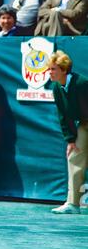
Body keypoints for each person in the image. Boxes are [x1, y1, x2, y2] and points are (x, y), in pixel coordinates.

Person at [48, 50, 88, 214]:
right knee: (74, 156)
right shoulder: (56, 87)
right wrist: (70, 139)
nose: (49, 72)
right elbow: (63, 115)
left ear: (64, 70)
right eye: (49, 69)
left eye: (53, 69)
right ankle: (73, 204)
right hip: (84, 124)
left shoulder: (82, 84)